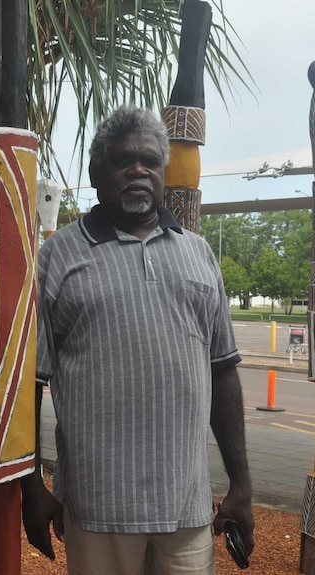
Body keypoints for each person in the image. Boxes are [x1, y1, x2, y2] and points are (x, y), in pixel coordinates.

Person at [20, 105, 255, 574]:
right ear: (95, 172)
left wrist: (242, 484)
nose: (138, 170)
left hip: (186, 508)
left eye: (150, 161)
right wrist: (31, 485)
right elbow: (30, 383)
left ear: (163, 174)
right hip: (96, 508)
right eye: (123, 160)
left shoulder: (198, 254)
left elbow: (223, 371)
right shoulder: (58, 255)